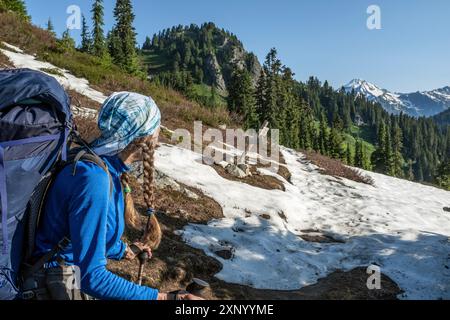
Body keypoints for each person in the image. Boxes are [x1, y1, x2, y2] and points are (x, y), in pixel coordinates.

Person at [30, 92, 202, 300]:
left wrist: (123, 249)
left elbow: (84, 231)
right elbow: (92, 277)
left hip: (61, 277)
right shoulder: (94, 179)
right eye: (156, 126)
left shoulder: (99, 166)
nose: (158, 136)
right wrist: (166, 298)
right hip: (53, 283)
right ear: (142, 136)